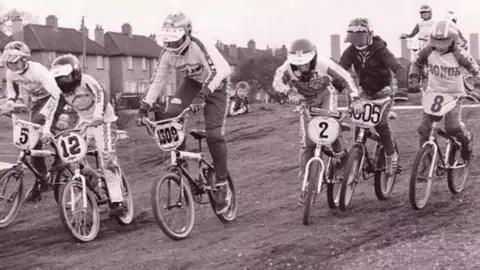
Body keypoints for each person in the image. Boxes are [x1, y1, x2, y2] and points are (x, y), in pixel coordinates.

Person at [135, 12, 233, 214]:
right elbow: (158, 80)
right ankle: (180, 162)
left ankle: (222, 183)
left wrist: (203, 95)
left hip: (216, 85)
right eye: (167, 42)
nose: (171, 46)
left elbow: (221, 69)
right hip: (192, 84)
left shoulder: (199, 43)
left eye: (175, 41)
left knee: (214, 135)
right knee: (170, 116)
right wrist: (144, 106)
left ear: (187, 33)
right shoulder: (167, 53)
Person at [272, 38, 364, 203]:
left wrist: (355, 99)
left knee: (330, 125)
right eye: (298, 64)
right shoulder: (286, 68)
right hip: (305, 101)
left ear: (313, 57)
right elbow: (277, 82)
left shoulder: (323, 64)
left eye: (306, 62)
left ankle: (341, 159)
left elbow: (346, 78)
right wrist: (289, 92)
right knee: (308, 142)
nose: (302, 66)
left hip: (325, 95)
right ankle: (308, 181)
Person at [49, 54, 126, 216]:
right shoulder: (61, 91)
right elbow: (53, 109)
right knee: (71, 156)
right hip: (84, 122)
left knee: (107, 159)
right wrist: (46, 129)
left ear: (75, 72)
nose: (63, 81)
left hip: (104, 120)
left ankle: (117, 199)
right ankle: (89, 176)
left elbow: (100, 94)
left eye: (65, 77)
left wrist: (98, 114)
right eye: (59, 78)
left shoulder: (87, 80)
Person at [338, 17, 408, 176]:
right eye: (354, 37)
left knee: (381, 124)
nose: (357, 41)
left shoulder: (380, 49)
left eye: (360, 37)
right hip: (364, 92)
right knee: (359, 124)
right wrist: (336, 82)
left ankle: (391, 155)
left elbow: (397, 67)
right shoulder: (351, 51)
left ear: (369, 35)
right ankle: (357, 157)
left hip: (384, 92)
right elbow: (341, 69)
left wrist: (403, 87)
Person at [0, 41, 66, 202]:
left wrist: (45, 117)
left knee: (38, 127)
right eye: (8, 62)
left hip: (54, 97)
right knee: (32, 142)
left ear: (24, 59)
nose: (11, 66)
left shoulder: (38, 71)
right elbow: (12, 90)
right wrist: (9, 103)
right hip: (37, 101)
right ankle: (42, 179)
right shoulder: (11, 73)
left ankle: (61, 157)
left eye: (14, 62)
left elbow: (56, 94)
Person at [409, 19, 480, 163]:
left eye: (444, 42)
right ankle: (427, 161)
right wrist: (414, 79)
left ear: (453, 40)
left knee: (452, 128)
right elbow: (416, 64)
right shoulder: (427, 51)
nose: (440, 46)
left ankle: (466, 140)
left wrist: (476, 85)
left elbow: (475, 70)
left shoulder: (460, 54)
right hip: (433, 92)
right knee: (424, 129)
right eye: (436, 41)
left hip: (454, 94)